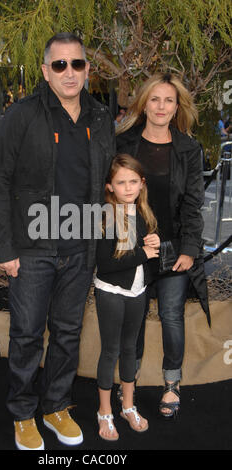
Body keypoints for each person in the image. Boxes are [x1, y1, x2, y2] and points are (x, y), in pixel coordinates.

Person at [0, 32, 115, 450]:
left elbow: (107, 183)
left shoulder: (100, 116)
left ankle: (56, 406)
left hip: (81, 247)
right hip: (32, 247)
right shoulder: (21, 115)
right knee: (25, 333)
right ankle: (23, 413)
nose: (69, 72)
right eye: (59, 65)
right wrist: (4, 250)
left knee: (67, 332)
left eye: (76, 64)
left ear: (87, 69)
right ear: (45, 71)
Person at [116, 72, 210, 419]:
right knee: (134, 317)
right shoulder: (123, 143)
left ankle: (172, 383)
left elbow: (193, 205)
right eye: (154, 99)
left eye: (168, 100)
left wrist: (188, 249)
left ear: (177, 106)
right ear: (143, 103)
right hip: (133, 249)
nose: (161, 106)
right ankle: (131, 380)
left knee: (172, 316)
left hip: (173, 250)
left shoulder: (188, 148)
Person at [94, 154, 159, 440]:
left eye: (134, 181)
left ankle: (128, 406)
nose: (128, 187)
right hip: (111, 292)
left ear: (142, 184)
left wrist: (157, 243)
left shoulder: (144, 213)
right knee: (111, 351)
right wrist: (141, 253)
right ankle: (104, 412)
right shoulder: (106, 216)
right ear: (110, 187)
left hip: (138, 291)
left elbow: (150, 258)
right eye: (121, 182)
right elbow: (106, 265)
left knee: (131, 349)